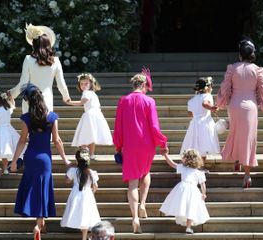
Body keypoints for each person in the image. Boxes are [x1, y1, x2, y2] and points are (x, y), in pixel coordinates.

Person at [10, 84, 71, 240]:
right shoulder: (52, 117)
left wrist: (14, 161)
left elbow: (22, 141)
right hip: (45, 158)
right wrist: (66, 161)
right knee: (43, 189)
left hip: (31, 156)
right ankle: (39, 224)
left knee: (34, 188)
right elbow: (57, 140)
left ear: (29, 101)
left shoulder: (26, 118)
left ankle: (41, 225)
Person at [113, 69, 168, 233]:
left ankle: (135, 217)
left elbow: (118, 126)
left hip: (130, 144)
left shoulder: (124, 100)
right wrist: (162, 142)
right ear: (143, 84)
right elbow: (154, 125)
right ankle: (143, 204)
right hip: (147, 144)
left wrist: (118, 145)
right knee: (145, 172)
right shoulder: (149, 101)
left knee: (132, 183)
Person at [217, 39, 263, 188]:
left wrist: (221, 102)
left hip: (234, 105)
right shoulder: (257, 69)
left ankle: (236, 161)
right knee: (248, 138)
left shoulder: (232, 68)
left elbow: (225, 87)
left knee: (235, 133)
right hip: (250, 107)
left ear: (240, 54)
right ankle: (247, 175)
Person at [7, 24, 70, 113]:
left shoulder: (28, 59)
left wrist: (12, 94)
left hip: (30, 100)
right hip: (47, 101)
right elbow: (61, 83)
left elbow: (23, 83)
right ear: (49, 44)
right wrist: (66, 97)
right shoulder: (56, 61)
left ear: (34, 45)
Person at [160, 149, 210, 234]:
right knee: (191, 208)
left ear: (185, 159)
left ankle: (187, 224)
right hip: (194, 191)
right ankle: (188, 227)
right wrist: (204, 193)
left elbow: (172, 164)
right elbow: (203, 184)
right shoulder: (199, 173)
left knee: (184, 206)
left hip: (183, 189)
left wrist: (165, 155)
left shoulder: (183, 168)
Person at [66, 73, 113, 160]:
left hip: (90, 116)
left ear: (91, 83)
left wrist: (70, 102)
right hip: (96, 115)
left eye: (86, 83)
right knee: (92, 135)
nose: (83, 86)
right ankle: (90, 154)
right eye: (82, 84)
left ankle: (84, 153)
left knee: (86, 134)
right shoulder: (92, 93)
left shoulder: (86, 92)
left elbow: (82, 102)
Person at [60, 148, 101, 240]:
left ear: (77, 160)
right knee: (85, 215)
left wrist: (68, 171)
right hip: (87, 194)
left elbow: (67, 181)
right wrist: (92, 192)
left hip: (76, 194)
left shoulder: (74, 171)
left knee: (79, 213)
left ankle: (84, 236)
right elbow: (96, 186)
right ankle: (84, 236)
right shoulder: (91, 172)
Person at [180, 77, 220, 166]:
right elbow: (205, 103)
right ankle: (201, 166)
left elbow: (190, 114)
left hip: (194, 123)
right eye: (211, 86)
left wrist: (197, 114)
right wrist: (212, 108)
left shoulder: (192, 100)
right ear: (207, 88)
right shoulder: (207, 95)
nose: (212, 88)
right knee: (204, 146)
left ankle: (195, 166)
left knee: (195, 145)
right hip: (204, 123)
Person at [0, 89, 22, 182]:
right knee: (5, 152)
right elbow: (13, 105)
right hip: (8, 131)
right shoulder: (7, 108)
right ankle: (5, 169)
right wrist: (11, 98)